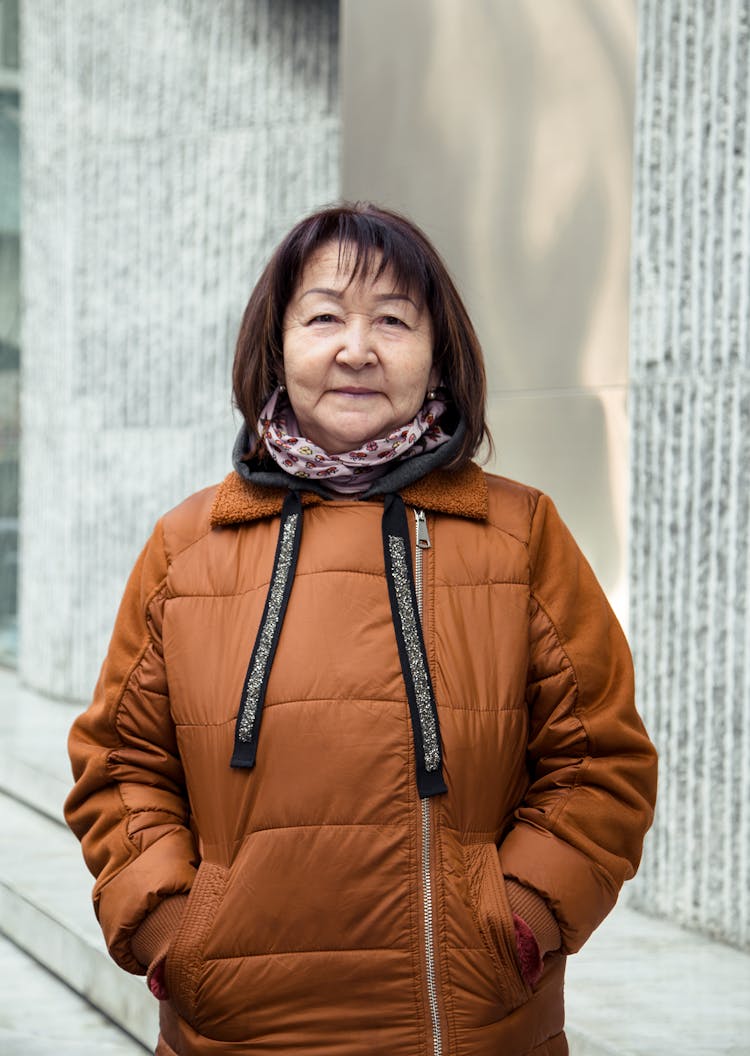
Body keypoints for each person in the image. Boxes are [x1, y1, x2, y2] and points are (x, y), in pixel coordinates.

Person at [65, 202, 657, 1056]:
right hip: (234, 1027)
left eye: (392, 319)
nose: (357, 348)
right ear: (276, 347)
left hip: (469, 1023)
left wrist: (520, 919)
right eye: (325, 317)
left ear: (437, 352)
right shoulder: (187, 547)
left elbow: (600, 760)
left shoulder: (521, 533)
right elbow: (120, 768)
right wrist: (171, 929)